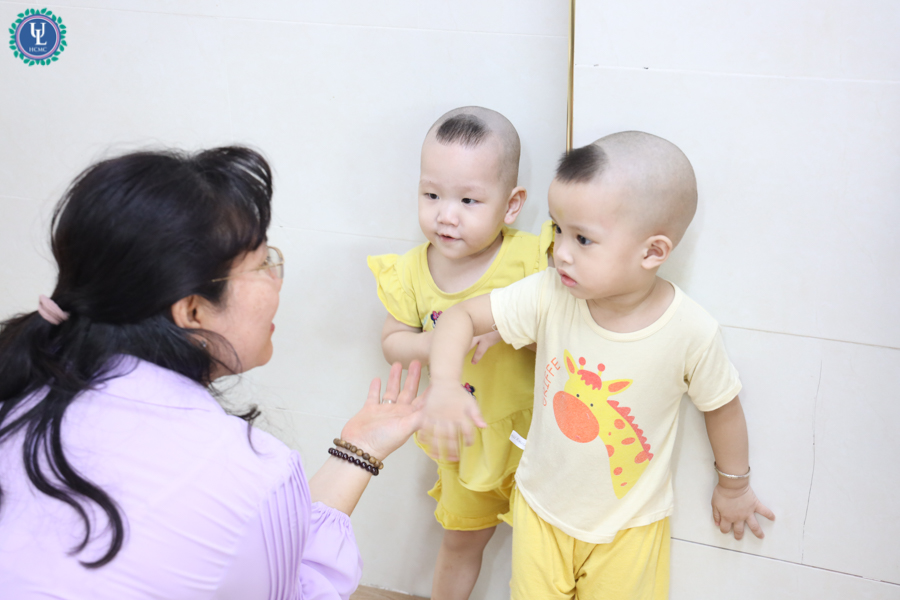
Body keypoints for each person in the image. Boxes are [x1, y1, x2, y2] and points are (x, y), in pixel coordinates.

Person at [0, 146, 424, 599]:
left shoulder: (23, 388)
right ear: (193, 310)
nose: (278, 279)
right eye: (262, 264)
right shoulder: (250, 472)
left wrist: (361, 447)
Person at [423, 132, 776, 599]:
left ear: (652, 252)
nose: (561, 251)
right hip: (540, 511)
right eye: (558, 230)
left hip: (629, 528)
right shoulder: (549, 291)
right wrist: (445, 384)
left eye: (583, 239)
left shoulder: (691, 330)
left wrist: (733, 486)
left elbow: (723, 407)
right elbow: (461, 317)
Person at [367, 106, 552, 599]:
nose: (446, 215)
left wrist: (515, 330)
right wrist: (434, 341)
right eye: (432, 195)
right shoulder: (411, 272)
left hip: (539, 437)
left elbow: (567, 325)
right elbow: (392, 341)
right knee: (461, 542)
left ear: (511, 205)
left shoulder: (532, 260)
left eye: (469, 200)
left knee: (543, 551)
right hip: (464, 438)